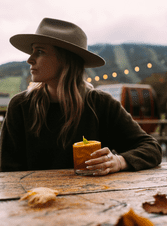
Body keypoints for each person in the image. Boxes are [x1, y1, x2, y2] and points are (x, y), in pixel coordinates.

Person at [0, 17, 162, 175]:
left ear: (66, 60)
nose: (30, 59)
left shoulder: (101, 104)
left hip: (94, 199)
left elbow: (151, 148)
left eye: (40, 51)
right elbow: (7, 170)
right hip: (35, 199)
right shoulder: (20, 106)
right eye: (32, 51)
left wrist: (119, 161)